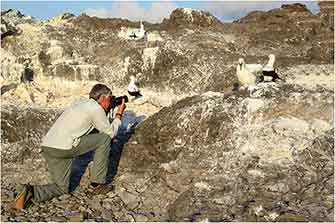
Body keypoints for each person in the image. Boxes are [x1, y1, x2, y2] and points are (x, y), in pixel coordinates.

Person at [13, 83, 126, 209]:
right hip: (64, 148)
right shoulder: (95, 108)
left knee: (61, 188)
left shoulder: (79, 103)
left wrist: (106, 111)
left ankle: (29, 192)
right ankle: (97, 184)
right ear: (103, 98)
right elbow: (110, 134)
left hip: (48, 147)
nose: (110, 103)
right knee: (104, 139)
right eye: (110, 99)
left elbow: (88, 128)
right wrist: (118, 114)